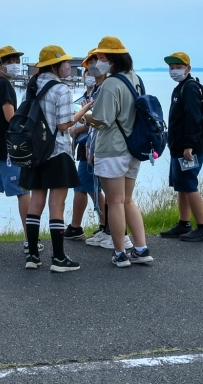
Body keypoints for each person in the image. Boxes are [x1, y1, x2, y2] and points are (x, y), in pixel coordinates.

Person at [20, 45, 91, 272]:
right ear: (56, 65)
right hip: (57, 152)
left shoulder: (30, 88)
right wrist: (81, 114)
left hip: (35, 154)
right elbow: (63, 125)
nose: (68, 66)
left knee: (36, 202)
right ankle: (59, 258)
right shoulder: (61, 90)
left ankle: (32, 255)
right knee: (56, 205)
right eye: (65, 63)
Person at [85, 36, 153, 267]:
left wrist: (82, 115)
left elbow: (101, 120)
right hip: (134, 147)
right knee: (127, 200)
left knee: (114, 202)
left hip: (112, 148)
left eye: (102, 57)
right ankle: (141, 249)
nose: (99, 61)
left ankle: (120, 253)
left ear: (113, 59)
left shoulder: (112, 83)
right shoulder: (135, 78)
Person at [0, 46, 37, 255]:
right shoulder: (5, 86)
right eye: (9, 61)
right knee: (23, 192)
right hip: (7, 148)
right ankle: (29, 239)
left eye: (15, 60)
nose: (14, 64)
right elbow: (10, 117)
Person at [159, 52, 203, 242]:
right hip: (178, 146)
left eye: (178, 67)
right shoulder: (180, 87)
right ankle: (184, 223)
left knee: (189, 185)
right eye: (171, 67)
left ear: (188, 69)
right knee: (181, 186)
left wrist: (189, 145)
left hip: (189, 148)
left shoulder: (189, 87)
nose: (174, 70)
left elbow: (193, 117)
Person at [67, 49, 107, 243]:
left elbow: (99, 120)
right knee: (85, 186)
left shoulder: (102, 92)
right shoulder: (82, 98)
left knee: (89, 187)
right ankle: (79, 226)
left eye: (92, 70)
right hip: (84, 146)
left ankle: (104, 225)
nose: (89, 75)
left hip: (92, 145)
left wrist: (79, 127)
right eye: (86, 72)